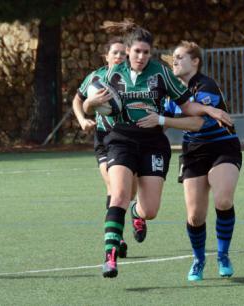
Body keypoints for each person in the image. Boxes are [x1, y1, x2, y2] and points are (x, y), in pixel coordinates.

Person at [83, 20, 233, 278]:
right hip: (121, 139)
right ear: (128, 50)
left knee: (150, 210)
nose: (141, 57)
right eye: (136, 51)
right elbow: (87, 106)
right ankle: (110, 256)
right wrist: (90, 103)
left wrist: (208, 109)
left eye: (146, 52)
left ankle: (136, 212)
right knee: (118, 193)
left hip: (153, 143)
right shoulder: (111, 75)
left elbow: (187, 105)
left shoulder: (161, 73)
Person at [140, 41, 242, 281]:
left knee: (224, 199)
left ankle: (223, 255)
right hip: (193, 152)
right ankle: (198, 260)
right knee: (195, 216)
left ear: (195, 61)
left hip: (222, 147)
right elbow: (159, 123)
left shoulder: (205, 86)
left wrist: (162, 120)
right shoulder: (170, 90)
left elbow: (197, 123)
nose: (174, 61)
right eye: (173, 57)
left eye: (180, 57)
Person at [72, 36, 133, 257]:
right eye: (114, 52)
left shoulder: (131, 77)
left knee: (127, 190)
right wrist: (82, 119)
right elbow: (78, 100)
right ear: (105, 56)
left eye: (122, 53)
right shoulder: (95, 77)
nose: (119, 56)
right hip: (103, 137)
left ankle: (135, 211)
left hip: (128, 138)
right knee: (113, 186)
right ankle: (118, 238)